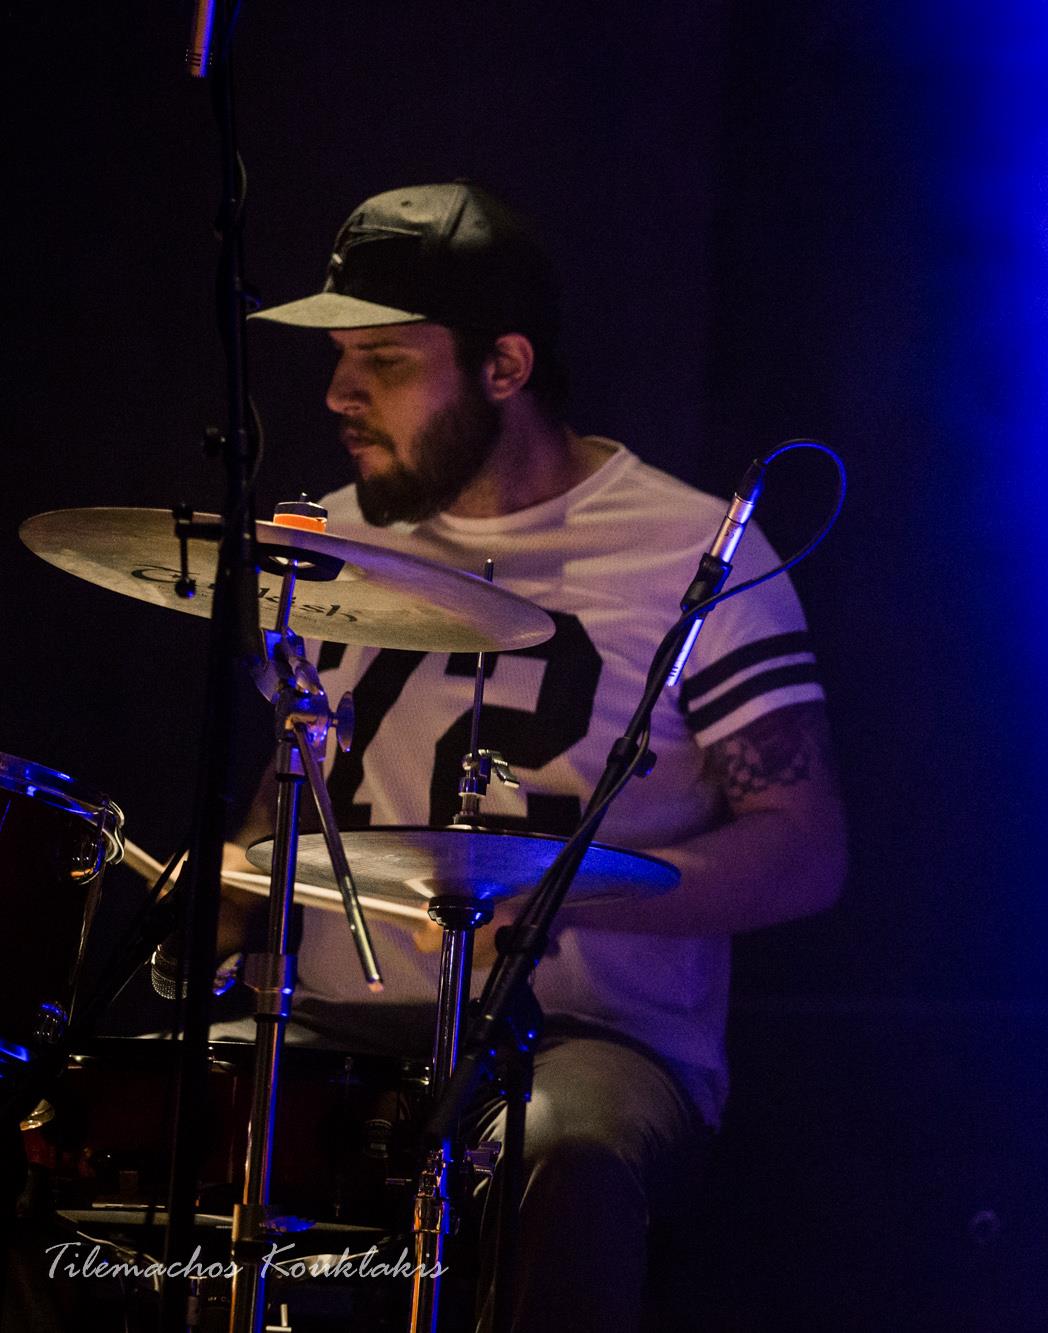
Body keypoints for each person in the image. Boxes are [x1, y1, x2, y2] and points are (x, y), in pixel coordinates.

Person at [241, 181, 848, 1330]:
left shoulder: (690, 554)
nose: (338, 394)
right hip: (336, 1026)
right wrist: (222, 888)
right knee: (111, 1109)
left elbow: (803, 848)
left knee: (565, 1154)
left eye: (383, 360)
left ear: (504, 366)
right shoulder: (325, 539)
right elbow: (291, 796)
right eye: (338, 359)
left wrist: (563, 899)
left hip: (591, 1042)